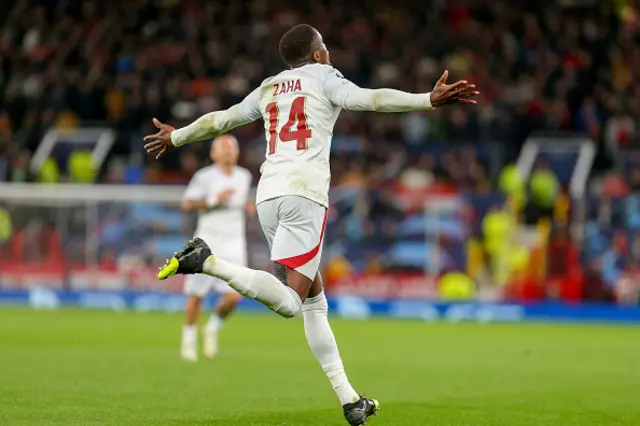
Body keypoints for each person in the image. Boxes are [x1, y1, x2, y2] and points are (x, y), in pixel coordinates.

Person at [144, 24, 478, 426]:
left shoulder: (269, 86)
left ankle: (351, 400)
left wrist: (176, 136)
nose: (329, 51)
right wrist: (427, 99)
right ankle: (208, 261)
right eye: (325, 45)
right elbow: (371, 99)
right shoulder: (325, 77)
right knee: (289, 303)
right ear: (318, 54)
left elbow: (222, 120)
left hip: (268, 195)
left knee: (314, 301)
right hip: (304, 196)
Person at [180, 135, 253, 362]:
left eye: (234, 147)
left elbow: (239, 202)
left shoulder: (244, 176)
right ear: (214, 153)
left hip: (234, 242)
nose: (230, 151)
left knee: (235, 295)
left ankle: (212, 327)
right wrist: (213, 199)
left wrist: (248, 206)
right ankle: (188, 339)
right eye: (225, 147)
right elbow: (187, 203)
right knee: (197, 294)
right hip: (207, 240)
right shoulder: (205, 177)